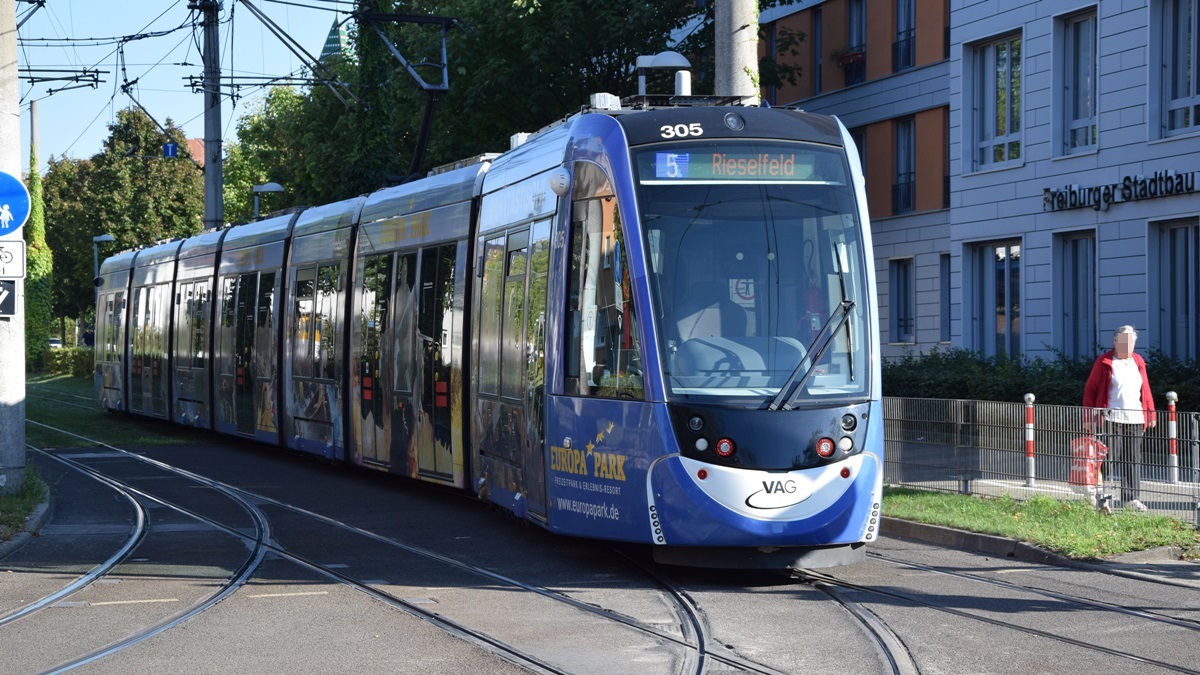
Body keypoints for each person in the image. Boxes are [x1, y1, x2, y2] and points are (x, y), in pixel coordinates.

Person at [1083, 325, 1156, 512]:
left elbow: (1145, 390)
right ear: (1114, 342)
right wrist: (1088, 417)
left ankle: (1130, 499)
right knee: (1108, 459)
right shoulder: (1105, 362)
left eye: (1130, 341)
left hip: (1135, 418)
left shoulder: (1138, 361)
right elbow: (1090, 390)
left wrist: (1151, 413)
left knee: (1133, 459)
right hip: (1111, 417)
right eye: (1123, 341)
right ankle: (1100, 496)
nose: (1127, 345)